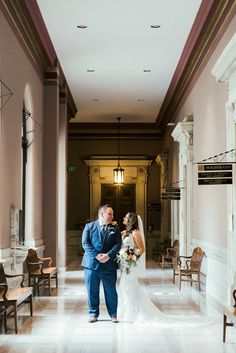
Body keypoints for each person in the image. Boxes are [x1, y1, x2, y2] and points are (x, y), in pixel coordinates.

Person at [117, 212, 164, 323]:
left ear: (131, 221)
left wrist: (131, 258)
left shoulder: (136, 233)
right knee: (125, 286)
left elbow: (142, 249)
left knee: (130, 286)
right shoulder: (126, 232)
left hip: (130, 264)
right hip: (124, 264)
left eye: (126, 217)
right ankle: (126, 311)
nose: (123, 218)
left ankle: (133, 313)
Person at [81, 204, 121, 323]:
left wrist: (108, 255)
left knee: (111, 291)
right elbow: (85, 243)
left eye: (112, 214)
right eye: (110, 214)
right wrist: (96, 255)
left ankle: (113, 314)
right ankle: (93, 314)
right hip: (91, 265)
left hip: (109, 265)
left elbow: (118, 244)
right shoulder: (89, 226)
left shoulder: (115, 228)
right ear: (102, 214)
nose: (112, 216)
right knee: (92, 290)